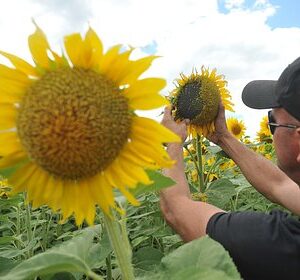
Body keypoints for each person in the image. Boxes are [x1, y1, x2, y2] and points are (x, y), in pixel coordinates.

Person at [160, 57, 300, 280]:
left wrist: (173, 142)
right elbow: (280, 185)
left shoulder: (279, 247)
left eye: (272, 121)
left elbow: (176, 210)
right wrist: (223, 138)